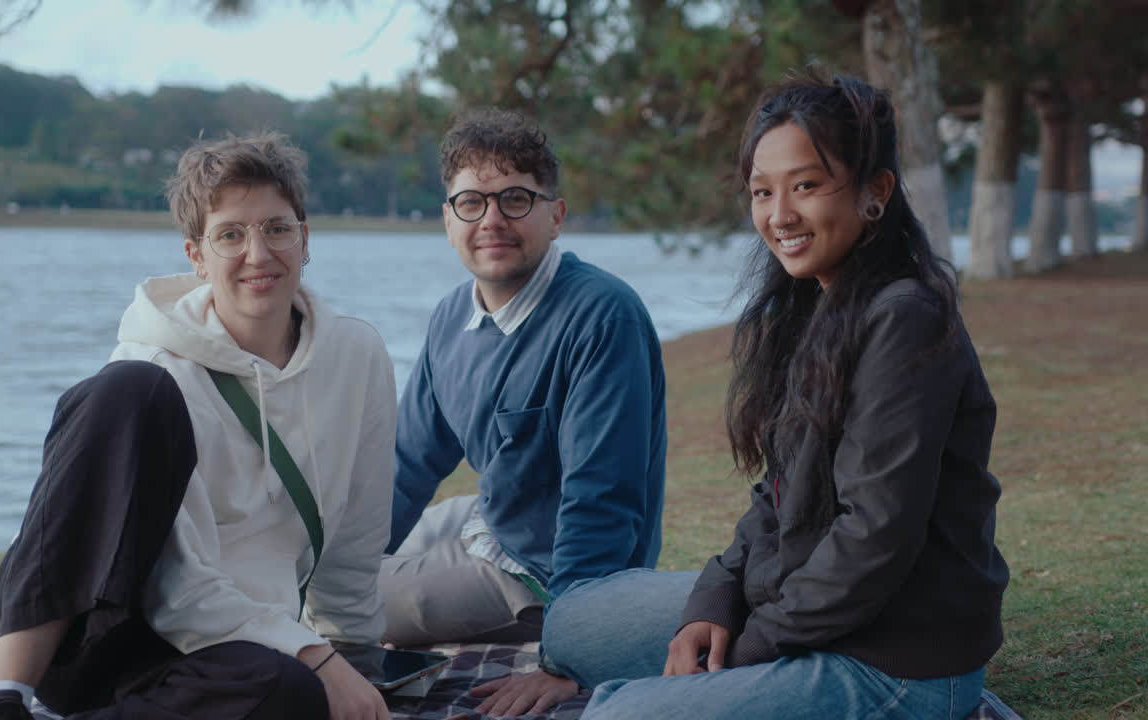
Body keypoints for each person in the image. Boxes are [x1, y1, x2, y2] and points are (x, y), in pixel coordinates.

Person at [542, 71, 1011, 719]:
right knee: (572, 626)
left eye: (808, 186)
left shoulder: (904, 317)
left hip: (897, 658)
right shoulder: (812, 307)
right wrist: (714, 605)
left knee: (615, 714)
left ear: (875, 192)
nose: (779, 215)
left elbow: (875, 537)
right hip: (803, 603)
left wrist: (748, 647)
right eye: (763, 191)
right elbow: (779, 494)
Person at [0, 133, 396, 720]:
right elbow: (176, 584)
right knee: (125, 389)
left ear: (305, 237)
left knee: (286, 691)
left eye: (277, 228)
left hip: (228, 650)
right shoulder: (159, 369)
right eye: (231, 235)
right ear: (197, 256)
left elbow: (356, 538)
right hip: (104, 627)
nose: (259, 254)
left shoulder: (358, 354)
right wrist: (314, 655)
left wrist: (351, 655)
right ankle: (2, 697)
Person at [382, 107, 668, 715]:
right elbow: (407, 466)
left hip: (541, 568)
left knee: (345, 604)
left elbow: (603, 499)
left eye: (515, 199)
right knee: (330, 577)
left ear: (555, 215)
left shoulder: (601, 315)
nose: (491, 220)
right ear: (447, 218)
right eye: (471, 202)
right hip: (490, 519)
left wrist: (573, 656)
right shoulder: (450, 317)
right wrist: (340, 566)